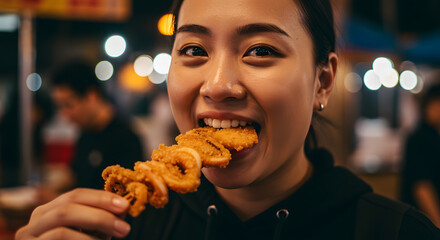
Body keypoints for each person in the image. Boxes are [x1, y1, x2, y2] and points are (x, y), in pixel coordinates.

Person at [15, 0, 440, 239]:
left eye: (260, 50)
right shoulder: (123, 229)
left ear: (322, 81)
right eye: (194, 51)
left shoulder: (398, 233)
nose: (218, 85)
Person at [49, 61, 145, 189]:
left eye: (68, 105)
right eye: (59, 107)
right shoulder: (85, 134)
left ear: (91, 96)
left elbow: (125, 197)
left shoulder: (126, 139)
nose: (65, 114)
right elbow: (76, 178)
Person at [401, 83, 440, 228]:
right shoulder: (419, 138)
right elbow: (421, 186)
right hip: (420, 220)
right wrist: (437, 224)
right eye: (433, 104)